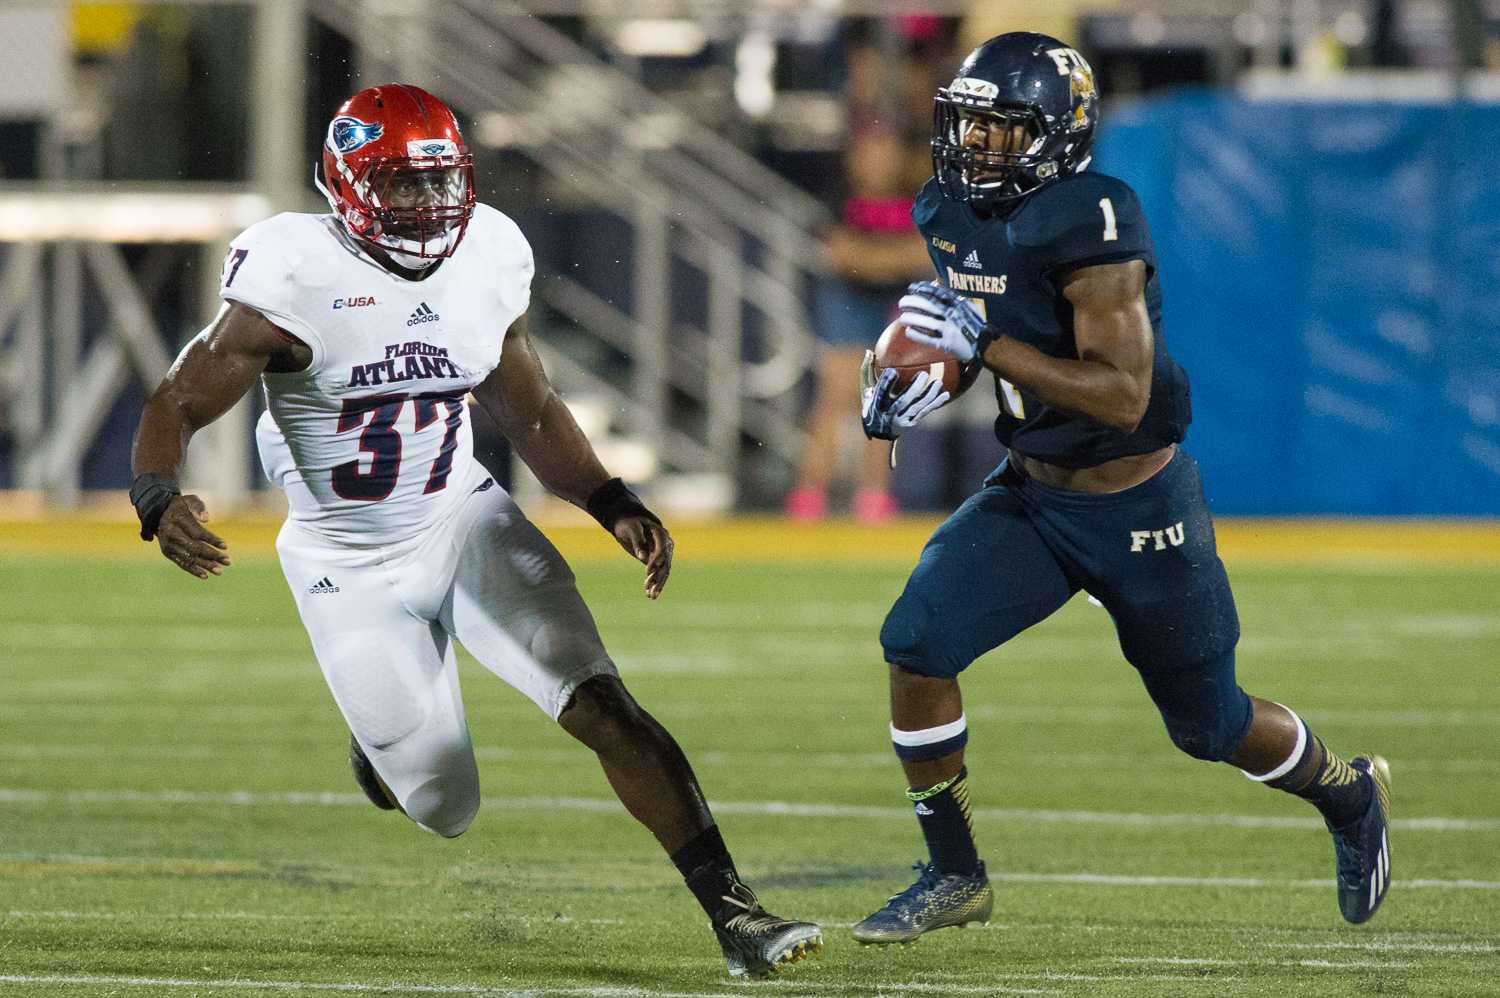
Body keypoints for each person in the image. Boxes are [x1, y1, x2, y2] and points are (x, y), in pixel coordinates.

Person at [128, 84, 822, 979]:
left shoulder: (488, 250)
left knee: (602, 702)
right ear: (345, 183)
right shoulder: (294, 274)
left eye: (438, 182)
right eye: (400, 185)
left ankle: (738, 917)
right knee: (442, 802)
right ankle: (384, 749)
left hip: (462, 515)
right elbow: (178, 400)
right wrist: (157, 496)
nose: (425, 206)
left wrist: (613, 500)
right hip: (345, 560)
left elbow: (528, 410)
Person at [852, 34, 1392, 943]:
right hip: (1031, 491)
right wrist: (917, 385)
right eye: (970, 125)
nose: (976, 147)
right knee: (916, 645)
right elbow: (987, 332)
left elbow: (1120, 392)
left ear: (1057, 135)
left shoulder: (1093, 217)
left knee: (1210, 725)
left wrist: (976, 347)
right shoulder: (944, 206)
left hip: (1138, 502)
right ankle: (955, 874)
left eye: (1001, 130)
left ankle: (1347, 794)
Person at [785, 124, 932, 523]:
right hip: (847, 302)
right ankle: (810, 494)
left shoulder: (915, 199)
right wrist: (890, 258)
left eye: (887, 151)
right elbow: (843, 256)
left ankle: (874, 496)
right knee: (835, 398)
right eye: (871, 151)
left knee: (886, 401)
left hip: (892, 304)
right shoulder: (841, 199)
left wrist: (874, 259)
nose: (880, 160)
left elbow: (926, 254)